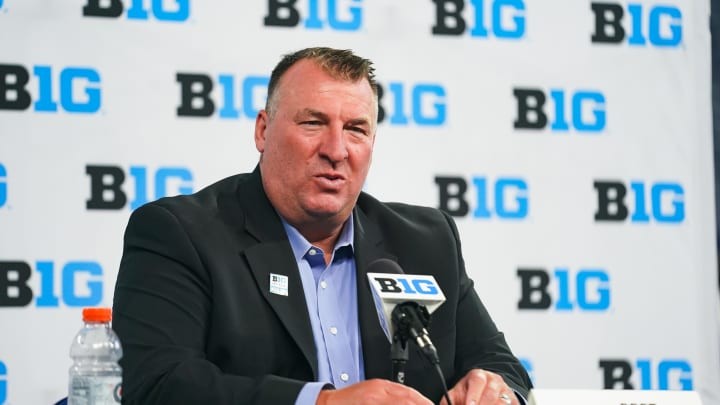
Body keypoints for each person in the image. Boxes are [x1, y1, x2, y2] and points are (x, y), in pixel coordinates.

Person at [112, 47, 532, 405]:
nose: (336, 150)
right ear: (263, 130)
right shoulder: (181, 233)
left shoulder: (426, 241)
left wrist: (493, 390)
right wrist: (321, 402)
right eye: (313, 123)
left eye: (355, 129)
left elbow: (504, 369)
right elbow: (155, 383)